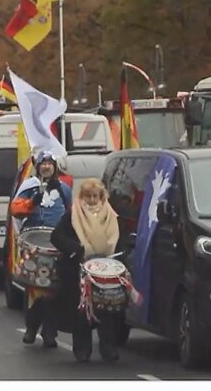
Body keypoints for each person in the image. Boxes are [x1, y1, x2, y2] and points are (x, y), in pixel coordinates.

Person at [52, 178, 126, 362]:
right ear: (81, 197)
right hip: (79, 271)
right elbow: (57, 236)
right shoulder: (72, 216)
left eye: (95, 196)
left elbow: (120, 237)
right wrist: (75, 248)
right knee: (82, 311)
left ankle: (108, 348)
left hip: (107, 270)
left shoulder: (111, 215)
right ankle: (82, 349)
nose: (92, 200)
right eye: (88, 196)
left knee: (109, 310)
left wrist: (123, 253)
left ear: (102, 197)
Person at [10, 151, 73, 348]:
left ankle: (49, 332)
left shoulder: (64, 189)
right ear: (37, 167)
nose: (46, 167)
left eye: (49, 163)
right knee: (36, 290)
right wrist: (33, 201)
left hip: (56, 244)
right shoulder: (29, 186)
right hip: (33, 245)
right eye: (43, 163)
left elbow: (71, 212)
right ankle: (31, 327)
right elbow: (16, 210)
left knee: (54, 290)